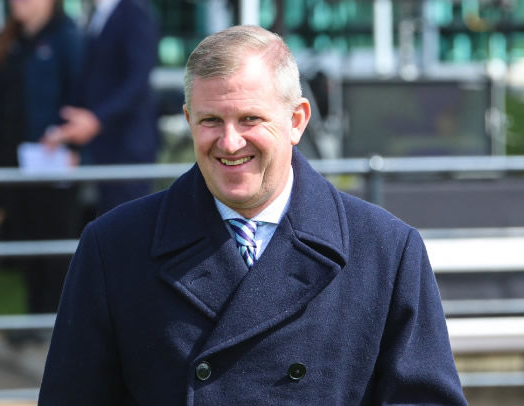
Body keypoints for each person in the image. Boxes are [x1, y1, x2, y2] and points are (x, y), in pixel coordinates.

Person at [39, 25, 467, 404]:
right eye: (210, 120)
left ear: (296, 120)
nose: (228, 142)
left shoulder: (386, 250)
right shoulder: (114, 247)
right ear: (188, 121)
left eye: (249, 118)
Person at [0, 0, 82, 316]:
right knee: (25, 237)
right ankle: (34, 316)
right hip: (9, 157)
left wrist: (73, 147)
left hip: (50, 156)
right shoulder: (7, 40)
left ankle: (57, 320)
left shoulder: (67, 38)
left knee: (54, 238)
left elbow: (77, 93)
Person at [43, 0, 160, 215]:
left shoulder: (134, 13)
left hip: (128, 145)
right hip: (104, 145)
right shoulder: (97, 15)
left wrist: (96, 120)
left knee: (130, 223)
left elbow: (137, 82)